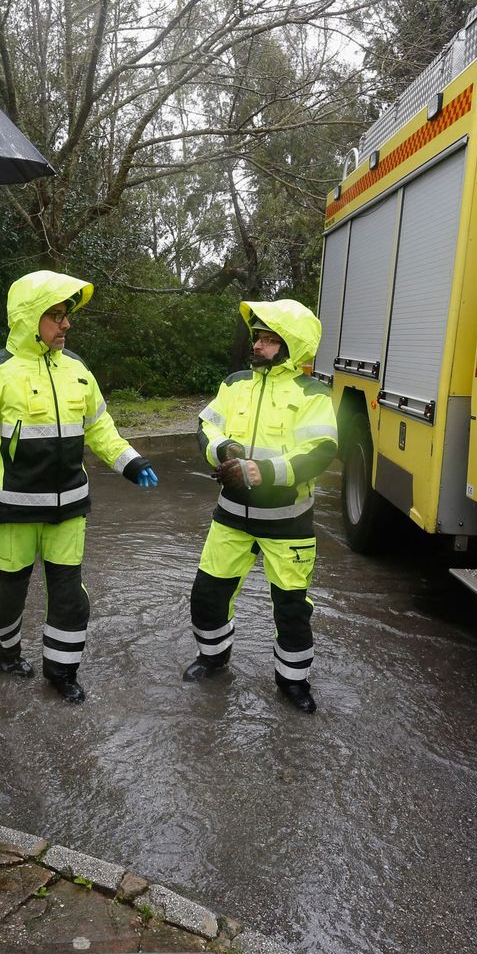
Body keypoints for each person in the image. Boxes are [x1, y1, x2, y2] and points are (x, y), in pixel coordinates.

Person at [0, 271, 158, 703]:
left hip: (69, 510)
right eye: (56, 316)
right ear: (29, 318)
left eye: (67, 316)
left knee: (69, 597)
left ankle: (62, 672)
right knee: (10, 592)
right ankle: (5, 650)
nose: (66, 325)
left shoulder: (78, 370)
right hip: (13, 511)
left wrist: (131, 463)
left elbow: (101, 429)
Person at [183, 300, 337, 713]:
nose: (260, 345)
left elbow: (320, 451)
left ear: (292, 347)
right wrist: (223, 449)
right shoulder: (235, 384)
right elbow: (205, 425)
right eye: (259, 338)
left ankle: (293, 683)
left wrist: (260, 471)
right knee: (207, 595)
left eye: (271, 340)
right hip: (230, 517)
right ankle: (212, 660)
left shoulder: (312, 393)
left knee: (291, 609)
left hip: (287, 524)